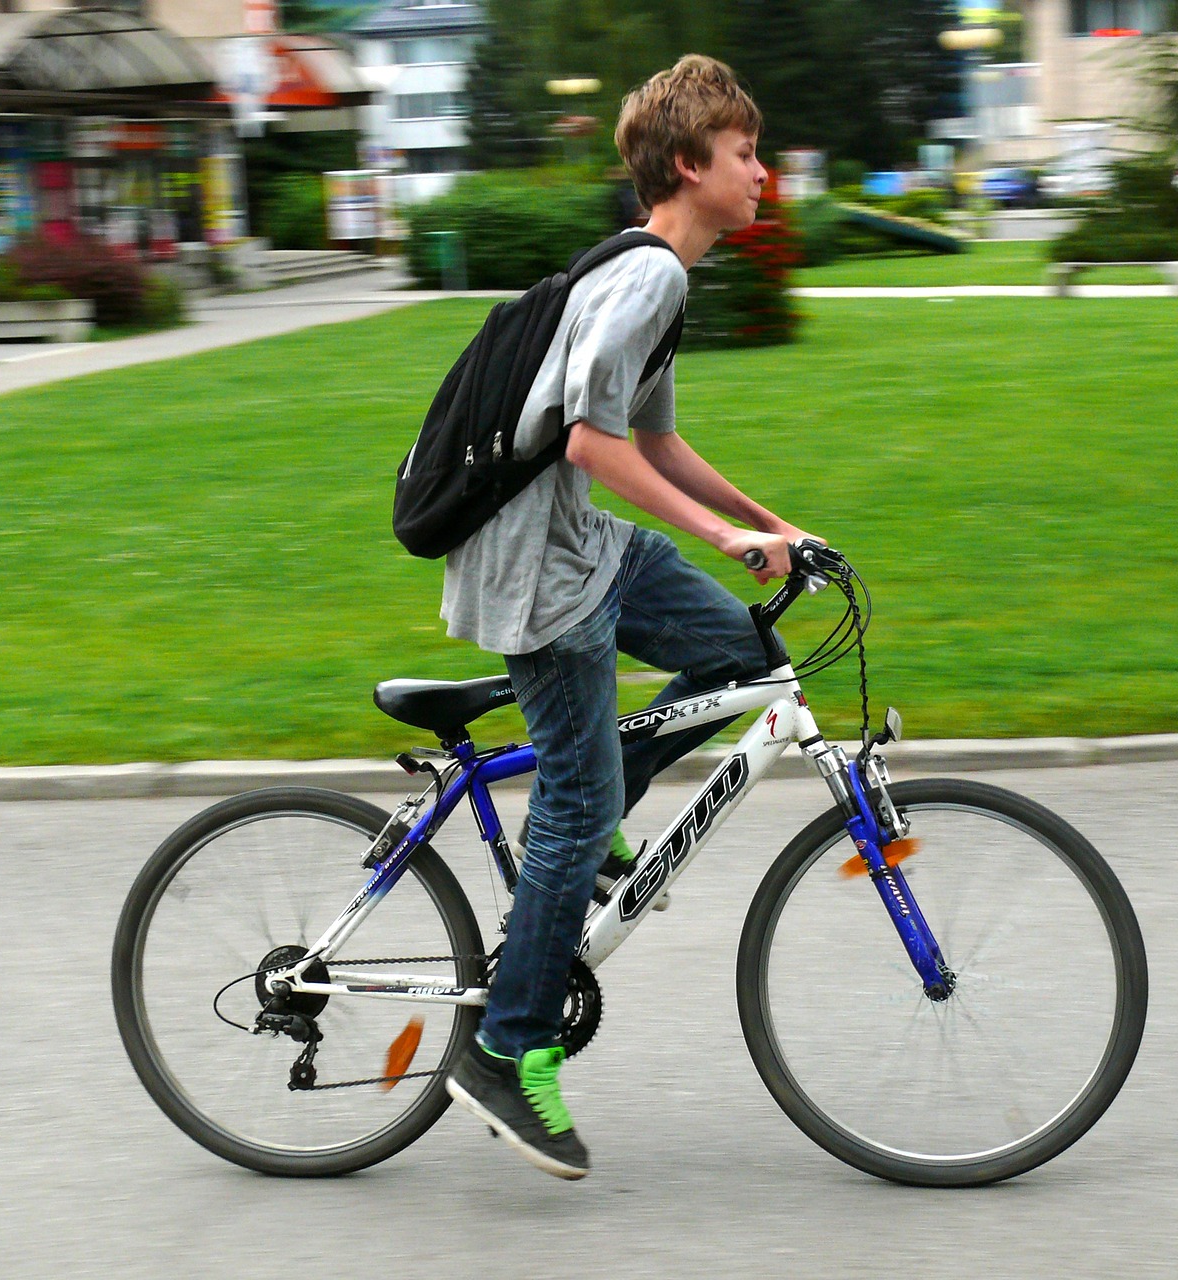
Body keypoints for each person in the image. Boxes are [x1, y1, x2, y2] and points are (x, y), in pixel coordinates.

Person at [442, 54, 820, 1181]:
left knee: (737, 650)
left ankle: (603, 798)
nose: (764, 172)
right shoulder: (649, 276)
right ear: (693, 164)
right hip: (539, 572)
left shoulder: (663, 278)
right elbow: (585, 442)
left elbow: (653, 442)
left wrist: (771, 521)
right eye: (747, 155)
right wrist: (722, 540)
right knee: (576, 798)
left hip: (587, 547)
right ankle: (507, 1049)